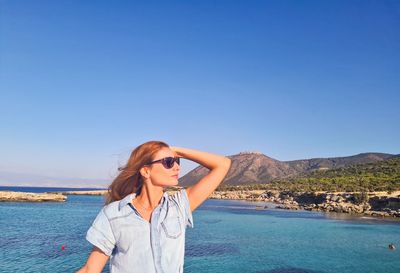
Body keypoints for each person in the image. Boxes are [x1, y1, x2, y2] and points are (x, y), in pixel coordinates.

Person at [76, 140, 231, 273]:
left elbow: (223, 164)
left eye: (177, 161)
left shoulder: (179, 206)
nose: (177, 167)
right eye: (169, 162)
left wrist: (176, 151)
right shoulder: (113, 214)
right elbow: (91, 269)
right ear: (145, 171)